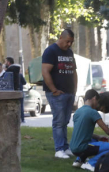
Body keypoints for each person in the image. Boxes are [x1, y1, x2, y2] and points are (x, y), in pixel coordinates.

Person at [42, 29, 78, 159]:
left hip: (69, 92)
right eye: (67, 41)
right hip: (57, 94)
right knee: (58, 121)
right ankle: (59, 149)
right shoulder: (51, 51)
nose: (69, 44)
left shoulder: (69, 52)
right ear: (61, 37)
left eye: (71, 42)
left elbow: (74, 71)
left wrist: (74, 89)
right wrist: (54, 90)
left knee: (65, 121)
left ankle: (65, 147)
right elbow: (45, 71)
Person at [69, 89, 109, 172]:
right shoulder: (93, 112)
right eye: (98, 102)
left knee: (94, 140)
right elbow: (107, 131)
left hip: (73, 147)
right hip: (82, 147)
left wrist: (98, 136)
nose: (97, 105)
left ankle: (79, 160)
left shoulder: (77, 112)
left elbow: (81, 131)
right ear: (94, 98)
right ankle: (91, 163)